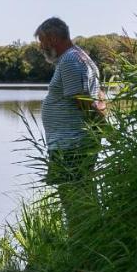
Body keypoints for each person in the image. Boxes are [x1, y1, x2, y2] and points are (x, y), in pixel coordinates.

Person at [34, 16, 105, 223]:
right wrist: (101, 126)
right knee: (82, 196)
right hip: (74, 143)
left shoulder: (69, 61)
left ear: (53, 38)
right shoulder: (81, 56)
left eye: (42, 41)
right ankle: (87, 239)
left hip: (70, 146)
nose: (40, 46)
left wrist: (102, 125)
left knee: (74, 200)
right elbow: (99, 95)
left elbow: (82, 101)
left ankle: (81, 243)